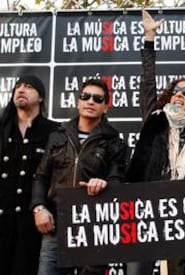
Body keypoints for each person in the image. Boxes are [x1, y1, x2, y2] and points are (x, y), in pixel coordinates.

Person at [125, 10, 185, 275]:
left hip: (181, 213)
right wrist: (149, 38)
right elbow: (147, 82)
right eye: (175, 90)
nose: (179, 95)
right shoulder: (155, 119)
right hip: (145, 207)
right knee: (136, 270)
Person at [30, 78, 127, 275]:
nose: (90, 101)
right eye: (85, 96)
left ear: (106, 107)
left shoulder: (115, 142)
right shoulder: (58, 136)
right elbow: (41, 176)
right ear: (78, 102)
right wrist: (38, 208)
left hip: (93, 229)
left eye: (98, 99)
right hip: (56, 226)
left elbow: (118, 181)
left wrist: (105, 184)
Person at [0, 75, 59, 275]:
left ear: (41, 97)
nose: (21, 90)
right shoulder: (2, 127)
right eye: (17, 87)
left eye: (28, 87)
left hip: (33, 225)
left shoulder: (54, 131)